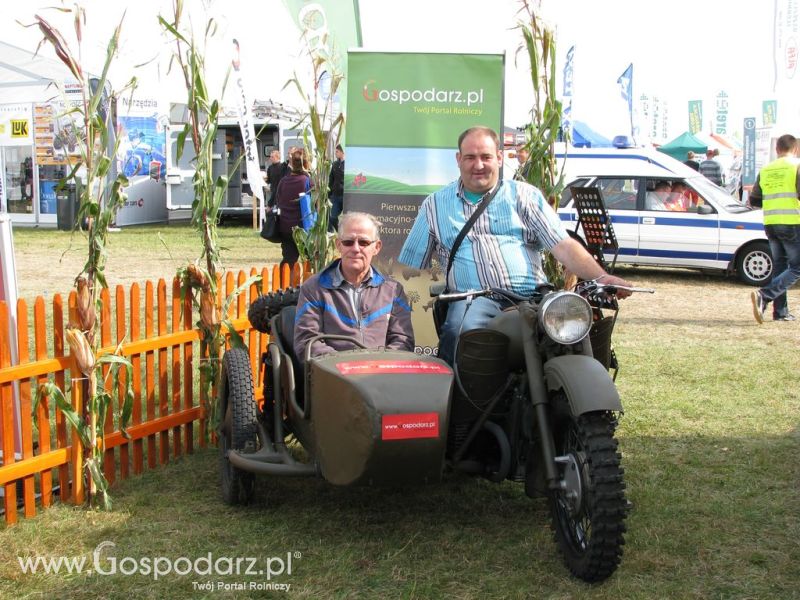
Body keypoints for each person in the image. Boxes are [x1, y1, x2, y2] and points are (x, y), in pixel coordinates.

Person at [398, 126, 632, 365]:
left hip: (533, 299)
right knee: (461, 331)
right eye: (470, 157)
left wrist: (603, 277)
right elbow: (409, 266)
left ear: (499, 158)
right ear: (458, 160)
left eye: (486, 157)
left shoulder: (525, 196)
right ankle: (456, 399)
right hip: (473, 301)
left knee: (576, 336)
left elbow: (563, 246)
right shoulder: (435, 205)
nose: (478, 165)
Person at [294, 211, 415, 362]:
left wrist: (378, 366)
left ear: (376, 247)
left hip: (381, 377)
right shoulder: (313, 288)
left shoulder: (393, 291)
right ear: (339, 245)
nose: (356, 248)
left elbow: (403, 341)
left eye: (363, 242)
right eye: (348, 242)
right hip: (333, 376)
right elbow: (307, 342)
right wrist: (346, 366)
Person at [748, 133, 800, 323]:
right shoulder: (797, 166)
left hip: (771, 222)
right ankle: (765, 294)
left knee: (780, 267)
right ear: (795, 149)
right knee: (797, 267)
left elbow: (754, 200)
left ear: (777, 149)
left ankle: (781, 312)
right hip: (793, 221)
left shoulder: (766, 169)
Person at [274, 148, 310, 268]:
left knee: (288, 262)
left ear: (292, 164)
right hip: (304, 228)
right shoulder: (308, 181)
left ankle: (283, 286)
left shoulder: (284, 181)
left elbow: (278, 200)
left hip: (286, 227)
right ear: (306, 164)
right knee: (309, 262)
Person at [328, 144, 345, 232]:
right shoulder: (334, 164)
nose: (335, 153)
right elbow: (331, 179)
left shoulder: (349, 164)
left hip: (346, 196)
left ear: (342, 152)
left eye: (337, 151)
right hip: (335, 196)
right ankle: (340, 233)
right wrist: (329, 193)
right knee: (332, 217)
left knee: (347, 219)